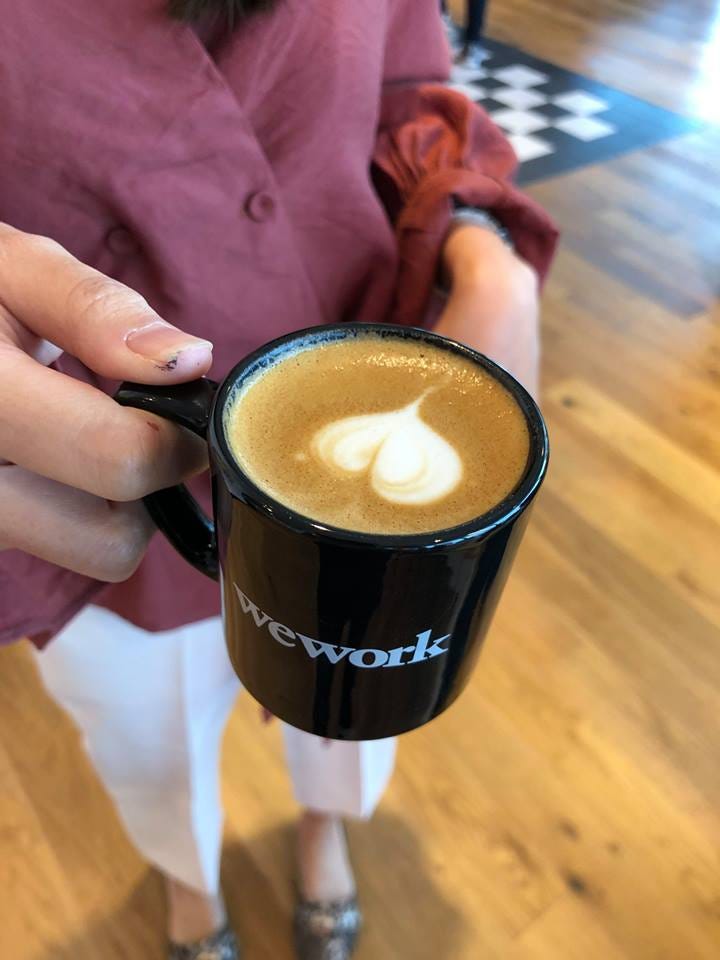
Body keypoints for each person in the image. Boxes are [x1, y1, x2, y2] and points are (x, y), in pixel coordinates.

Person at [0, 1, 557, 958]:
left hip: (384, 423)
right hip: (77, 474)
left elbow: (405, 94)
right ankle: (188, 881)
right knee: (148, 737)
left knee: (361, 699)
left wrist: (481, 249)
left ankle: (324, 828)